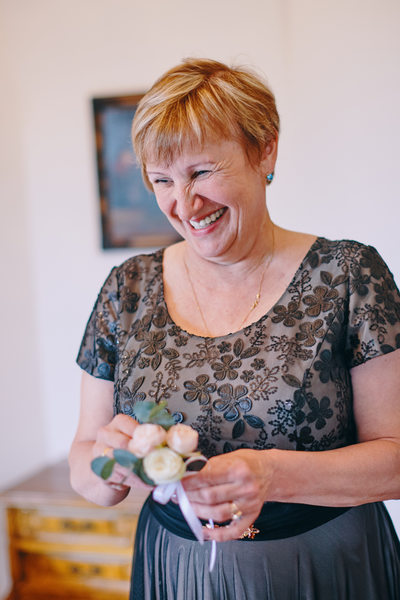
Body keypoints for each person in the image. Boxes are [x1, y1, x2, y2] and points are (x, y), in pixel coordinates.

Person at [69, 58, 400, 599]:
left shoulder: (348, 276)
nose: (183, 203)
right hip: (175, 573)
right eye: (161, 180)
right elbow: (85, 459)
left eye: (201, 172)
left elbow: (397, 457)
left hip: (323, 569)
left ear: (264, 149)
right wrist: (108, 466)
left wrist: (272, 474)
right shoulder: (126, 289)